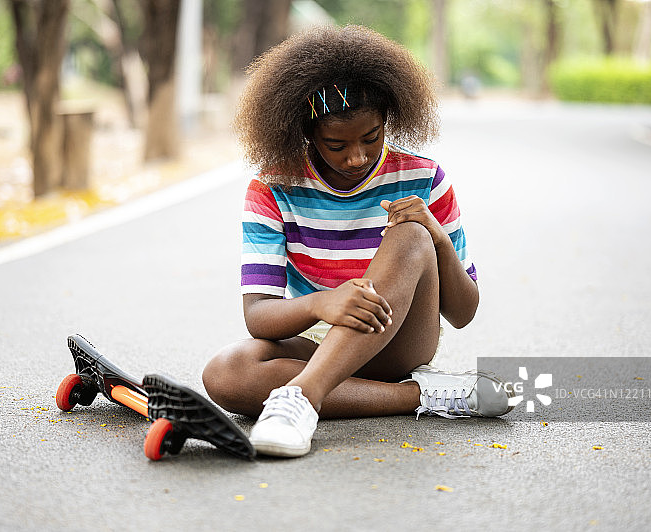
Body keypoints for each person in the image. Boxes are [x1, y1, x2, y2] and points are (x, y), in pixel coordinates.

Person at [202, 25, 514, 458]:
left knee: (410, 235)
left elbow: (463, 313)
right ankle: (421, 396)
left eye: (372, 138)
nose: (357, 157)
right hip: (315, 341)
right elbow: (258, 315)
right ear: (306, 133)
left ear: (389, 119)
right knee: (225, 373)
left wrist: (436, 238)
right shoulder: (273, 187)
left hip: (395, 342)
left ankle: (302, 398)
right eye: (336, 144)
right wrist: (320, 304)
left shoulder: (423, 178)